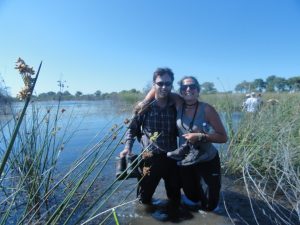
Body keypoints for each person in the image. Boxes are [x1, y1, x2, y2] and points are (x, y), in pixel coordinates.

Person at [142, 76, 227, 211]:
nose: (188, 89)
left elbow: (223, 137)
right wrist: (145, 102)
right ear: (181, 91)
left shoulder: (207, 109)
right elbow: (159, 88)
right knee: (191, 198)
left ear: (198, 90)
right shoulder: (178, 104)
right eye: (184, 87)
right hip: (186, 159)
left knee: (210, 205)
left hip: (207, 160)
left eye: (192, 86)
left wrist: (200, 136)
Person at [119, 68, 181, 214]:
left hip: (172, 158)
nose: (164, 87)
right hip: (149, 158)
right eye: (160, 83)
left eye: (168, 83)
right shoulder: (145, 107)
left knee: (175, 197)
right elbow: (132, 129)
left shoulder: (176, 106)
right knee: (144, 199)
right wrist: (127, 147)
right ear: (154, 84)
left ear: (172, 85)